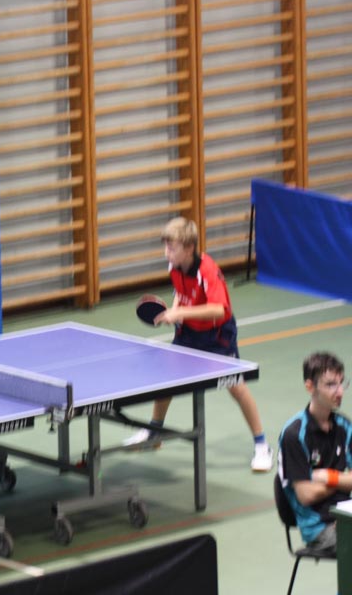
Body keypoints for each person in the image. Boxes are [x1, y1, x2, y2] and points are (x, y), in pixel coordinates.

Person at [122, 217, 273, 472]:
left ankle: (262, 445)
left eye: (172, 248)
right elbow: (181, 294)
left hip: (217, 335)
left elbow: (218, 309)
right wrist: (174, 311)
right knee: (166, 381)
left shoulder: (207, 270)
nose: (167, 253)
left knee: (236, 387)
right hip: (189, 332)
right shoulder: (175, 266)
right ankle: (154, 431)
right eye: (166, 247)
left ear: (189, 248)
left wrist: (180, 313)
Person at [278, 352, 350, 553]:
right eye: (331, 385)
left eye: (341, 383)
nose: (339, 392)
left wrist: (329, 477)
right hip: (319, 528)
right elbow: (306, 495)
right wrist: (343, 481)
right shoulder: (294, 435)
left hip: (346, 518)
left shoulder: (344, 426)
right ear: (310, 387)